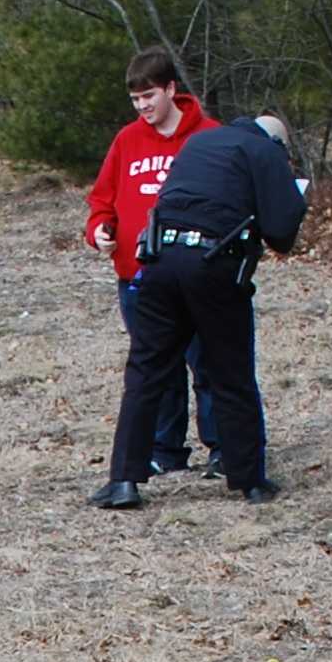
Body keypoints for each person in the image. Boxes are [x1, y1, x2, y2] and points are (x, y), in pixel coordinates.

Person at [93, 112, 306, 508]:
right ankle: (250, 480)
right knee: (230, 369)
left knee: (146, 369)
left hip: (157, 260)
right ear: (277, 144)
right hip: (212, 263)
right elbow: (282, 233)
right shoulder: (264, 152)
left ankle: (123, 480)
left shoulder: (201, 143)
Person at [82, 48, 221, 475]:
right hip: (139, 278)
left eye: (150, 97)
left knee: (210, 364)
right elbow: (102, 199)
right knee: (156, 370)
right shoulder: (126, 141)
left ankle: (222, 447)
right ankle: (165, 451)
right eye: (136, 100)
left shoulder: (209, 137)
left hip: (196, 276)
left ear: (171, 90)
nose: (143, 107)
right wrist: (100, 230)